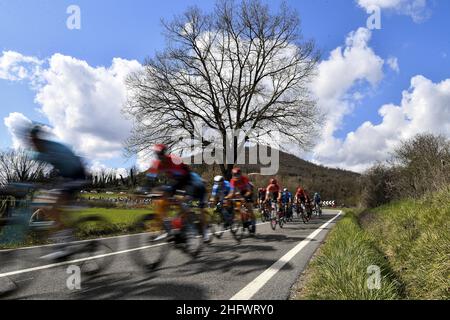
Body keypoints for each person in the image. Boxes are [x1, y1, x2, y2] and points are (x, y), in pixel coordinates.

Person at [27, 125, 88, 260]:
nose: (32, 145)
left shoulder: (53, 149)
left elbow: (69, 167)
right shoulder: (41, 152)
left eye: (34, 142)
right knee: (41, 201)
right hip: (66, 178)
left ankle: (65, 245)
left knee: (53, 204)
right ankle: (62, 235)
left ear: (39, 140)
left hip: (78, 175)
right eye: (31, 142)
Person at [146, 144, 210, 242]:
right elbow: (150, 178)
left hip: (188, 180)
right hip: (177, 181)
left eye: (161, 154)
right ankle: (169, 227)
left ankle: (204, 231)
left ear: (165, 153)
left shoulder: (174, 159)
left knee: (185, 201)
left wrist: (178, 191)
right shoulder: (157, 164)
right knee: (166, 196)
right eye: (157, 154)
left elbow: (186, 174)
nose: (160, 157)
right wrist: (146, 188)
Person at [226, 168, 256, 234]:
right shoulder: (232, 180)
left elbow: (249, 191)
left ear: (240, 174)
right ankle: (242, 218)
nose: (236, 176)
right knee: (237, 203)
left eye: (237, 174)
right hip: (240, 192)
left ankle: (253, 224)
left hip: (248, 191)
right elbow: (232, 192)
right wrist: (227, 197)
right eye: (234, 175)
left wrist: (245, 197)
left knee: (249, 208)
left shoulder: (244, 179)